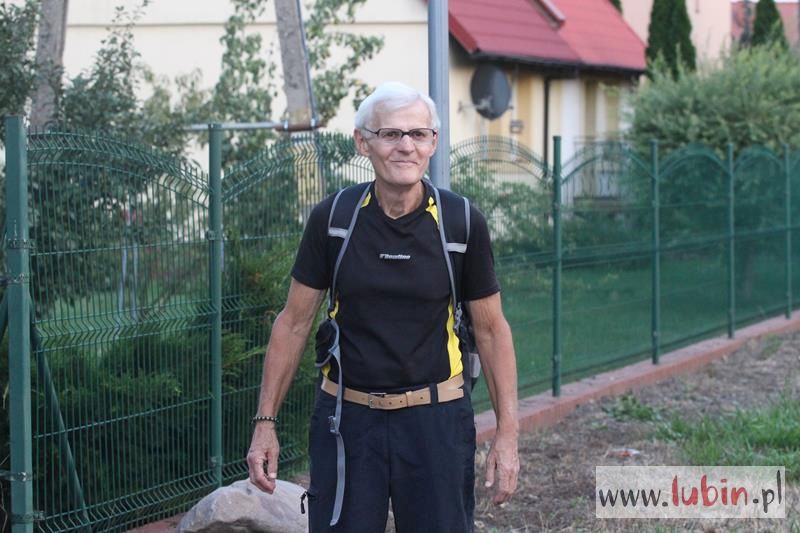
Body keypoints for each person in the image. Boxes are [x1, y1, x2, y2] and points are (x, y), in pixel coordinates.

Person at [247, 81, 519, 533]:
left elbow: (491, 331)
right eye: (391, 134)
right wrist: (264, 423)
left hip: (436, 421)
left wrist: (508, 433)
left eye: (418, 134)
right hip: (347, 420)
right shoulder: (334, 220)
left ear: (433, 143)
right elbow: (293, 323)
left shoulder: (460, 223)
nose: (405, 146)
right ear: (363, 142)